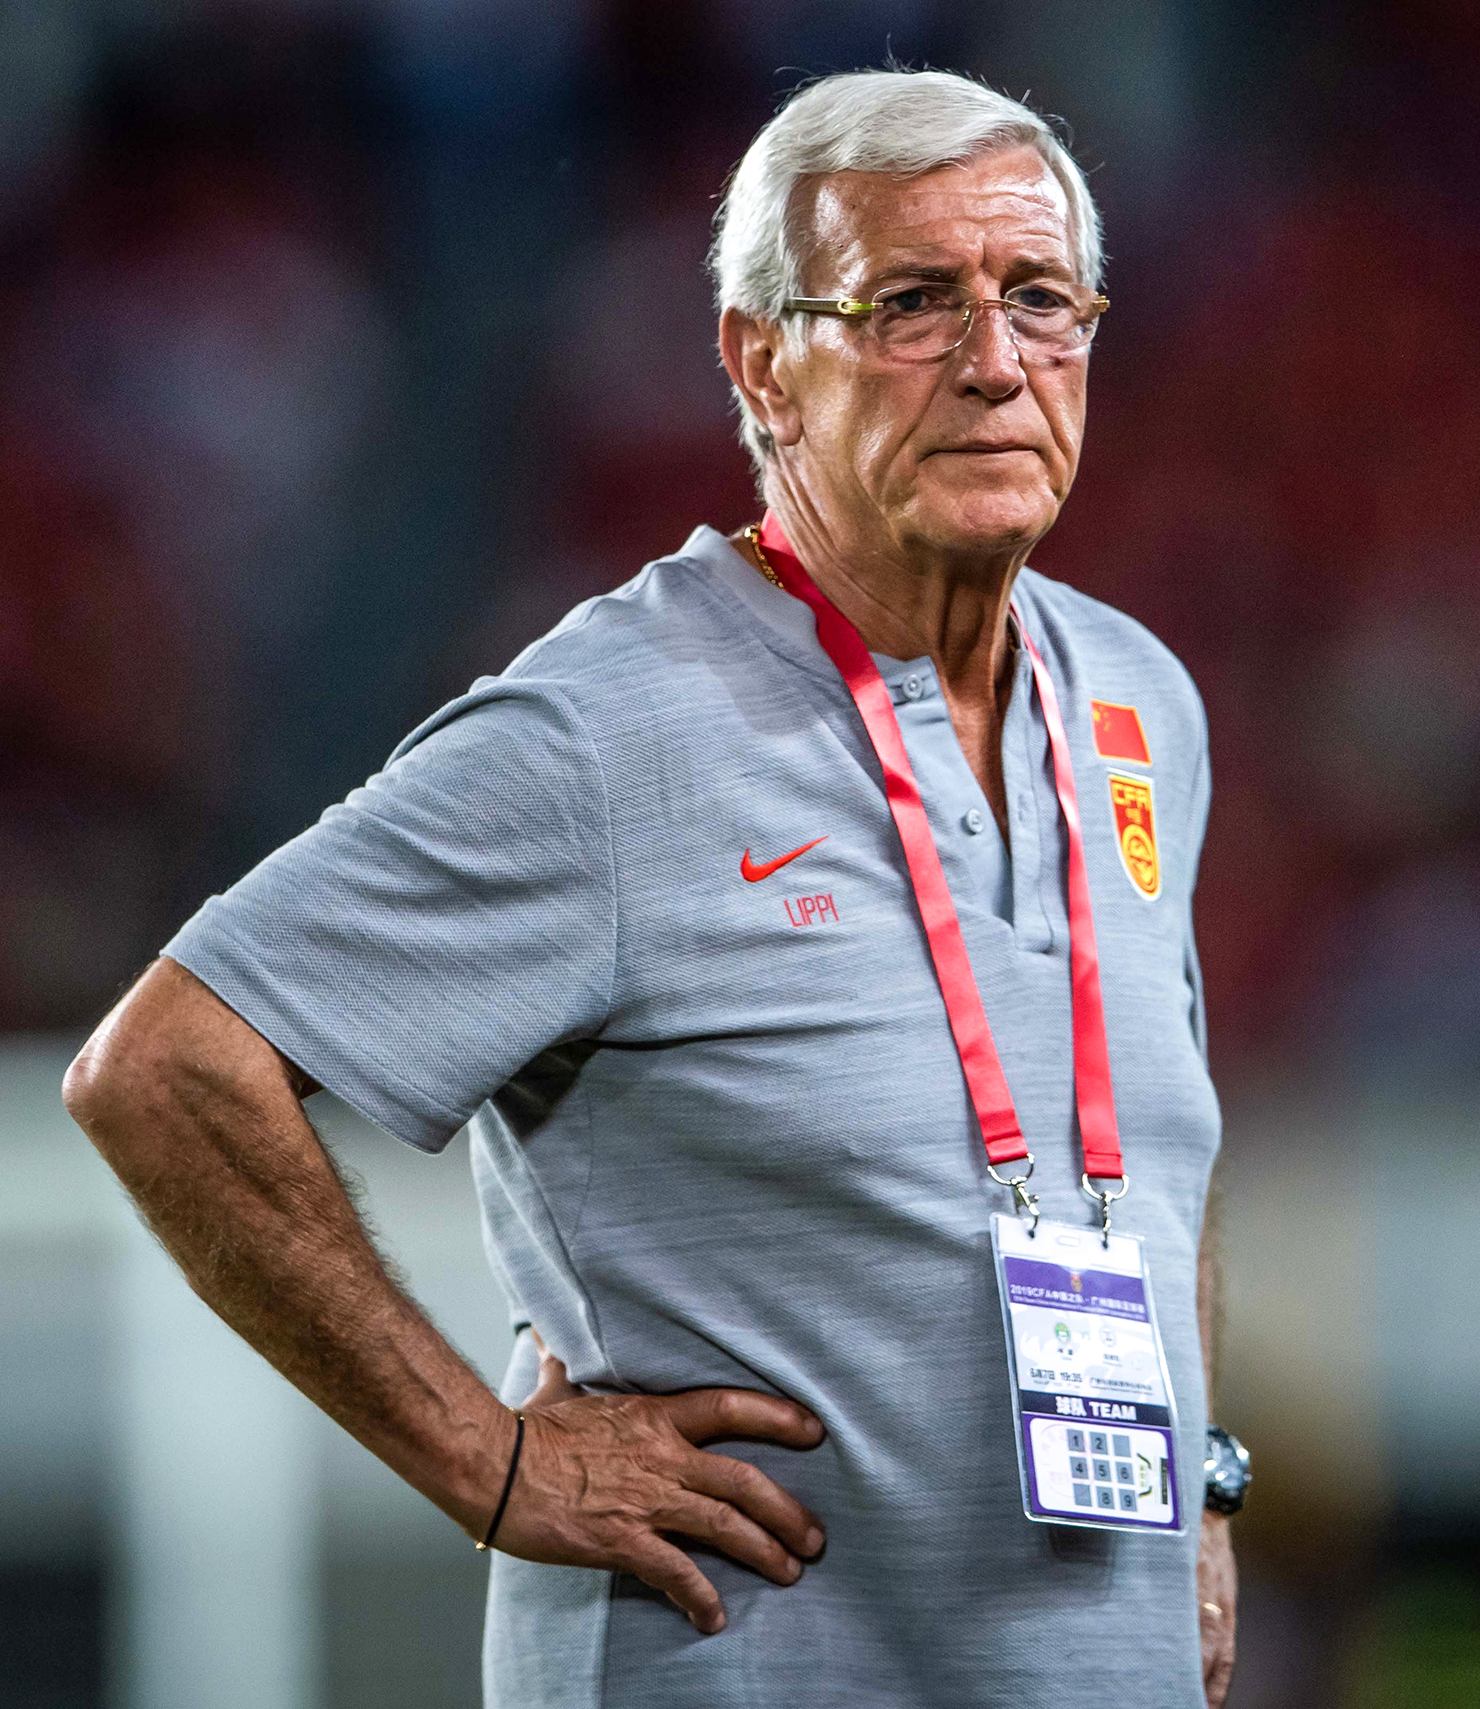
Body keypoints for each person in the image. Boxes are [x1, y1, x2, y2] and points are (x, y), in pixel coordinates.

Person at [63, 67, 1247, 1709]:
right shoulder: (610, 729)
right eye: (913, 303)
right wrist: (489, 1458)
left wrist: (1205, 1478)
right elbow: (166, 1068)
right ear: (761, 360)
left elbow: (1152, 1153)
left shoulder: (1138, 703)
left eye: (1039, 298)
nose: (995, 360)